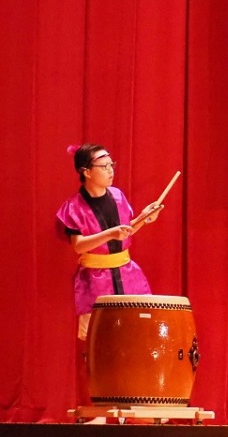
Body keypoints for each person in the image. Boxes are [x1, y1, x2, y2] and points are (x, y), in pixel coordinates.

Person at [55, 144, 162, 403]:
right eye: (104, 166)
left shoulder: (117, 196)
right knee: (98, 345)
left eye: (112, 165)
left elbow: (125, 232)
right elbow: (79, 245)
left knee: (134, 338)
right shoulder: (74, 207)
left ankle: (132, 401)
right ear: (86, 172)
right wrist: (110, 233)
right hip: (95, 279)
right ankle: (101, 405)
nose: (110, 170)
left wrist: (144, 218)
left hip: (127, 273)